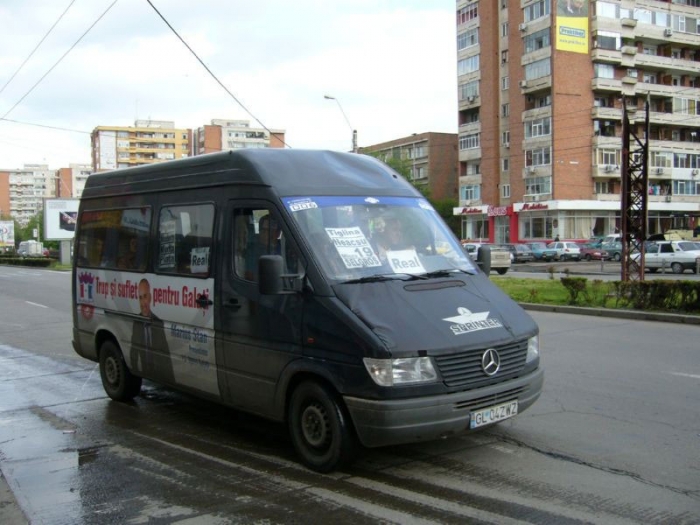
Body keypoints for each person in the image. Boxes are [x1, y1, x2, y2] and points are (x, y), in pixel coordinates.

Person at [130, 278, 174, 383]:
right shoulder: (137, 322)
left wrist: (171, 380)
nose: (143, 303)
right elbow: (133, 351)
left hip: (159, 374)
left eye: (145, 296)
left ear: (150, 298)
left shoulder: (158, 322)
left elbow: (166, 356)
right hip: (145, 371)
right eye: (140, 298)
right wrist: (134, 374)